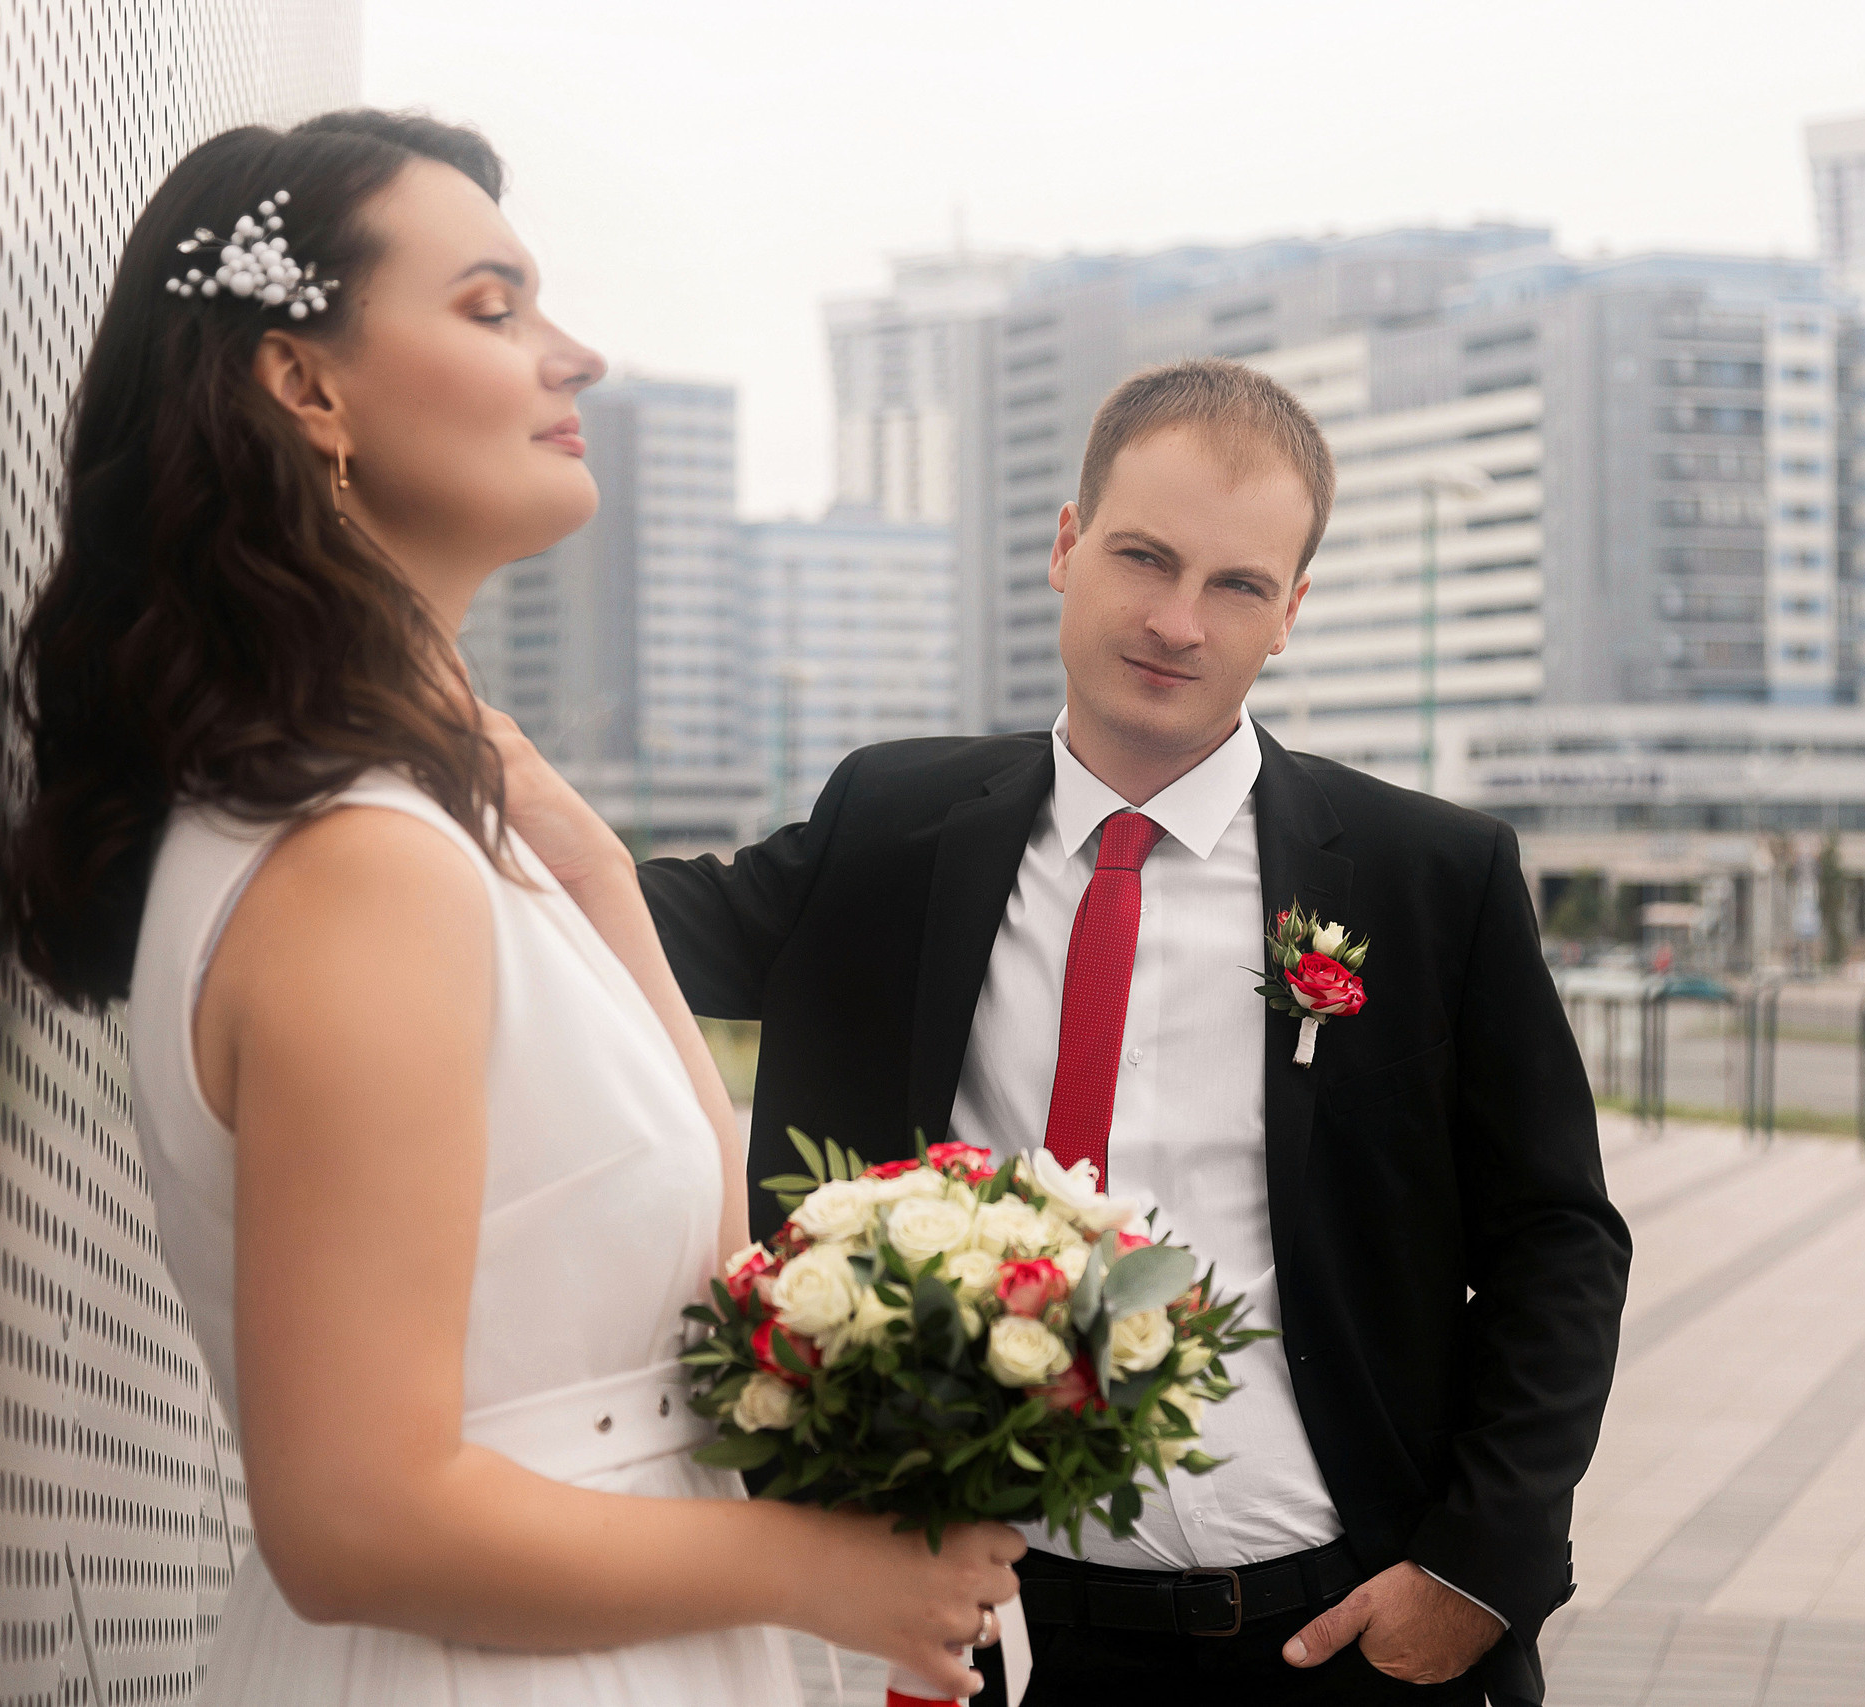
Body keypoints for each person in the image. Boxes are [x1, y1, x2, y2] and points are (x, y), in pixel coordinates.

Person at [4, 108, 1021, 1706]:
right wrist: (828, 1577)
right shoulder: (357, 862)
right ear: (308, 386)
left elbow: (701, 1259)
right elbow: (356, 1518)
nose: (578, 356)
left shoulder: (431, 829)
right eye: (493, 307)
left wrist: (598, 872)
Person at [600, 359, 1632, 1705]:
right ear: (1066, 546)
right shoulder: (895, 827)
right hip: (1000, 1632)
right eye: (1144, 558)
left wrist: (1478, 1570)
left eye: (1238, 585)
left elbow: (1559, 1238)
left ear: (1291, 612)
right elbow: (622, 928)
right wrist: (441, 791)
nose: (1177, 623)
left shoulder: (1429, 877)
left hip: (1333, 1633)